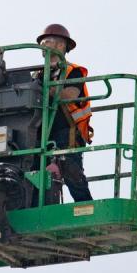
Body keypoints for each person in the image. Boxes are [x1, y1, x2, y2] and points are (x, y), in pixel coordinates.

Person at [36, 23, 93, 202]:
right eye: (42, 42)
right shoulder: (37, 74)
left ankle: (85, 207)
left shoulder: (73, 71)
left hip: (67, 133)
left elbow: (69, 95)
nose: (43, 45)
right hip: (41, 133)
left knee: (71, 171)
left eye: (47, 41)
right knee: (34, 171)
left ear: (61, 45)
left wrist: (44, 89)